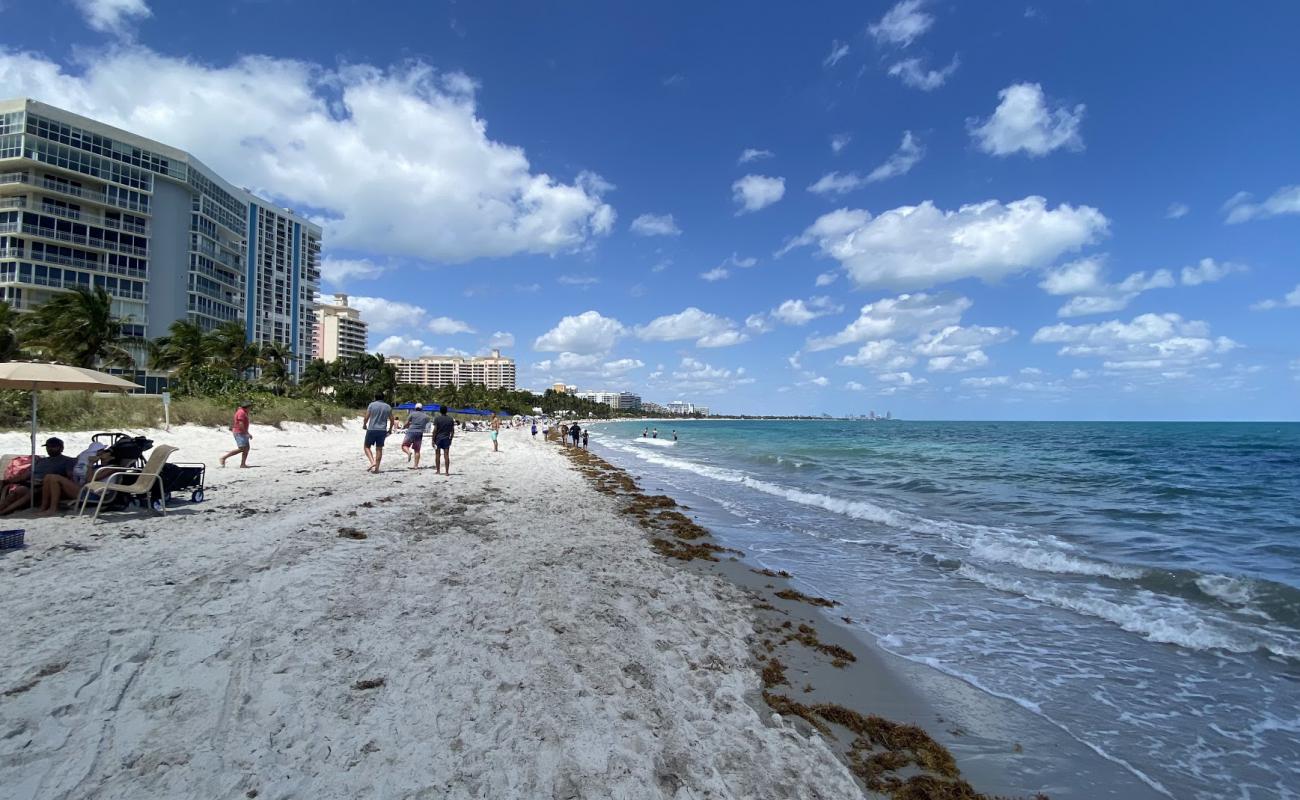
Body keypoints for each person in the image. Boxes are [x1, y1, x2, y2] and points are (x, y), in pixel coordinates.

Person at [0, 438, 76, 515]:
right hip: (31, 484)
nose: (49, 449)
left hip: (44, 486)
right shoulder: (41, 461)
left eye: (53, 447)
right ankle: (2, 508)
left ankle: (4, 511)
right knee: (16, 492)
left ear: (61, 448)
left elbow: (70, 477)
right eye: (48, 447)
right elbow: (26, 475)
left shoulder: (68, 461)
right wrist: (6, 481)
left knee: (28, 493)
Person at [363, 392, 394, 474]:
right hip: (382, 430)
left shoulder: (372, 405)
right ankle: (377, 469)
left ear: (375, 397)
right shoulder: (388, 406)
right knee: (379, 449)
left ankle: (372, 462)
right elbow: (392, 420)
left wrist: (364, 424)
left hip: (372, 429)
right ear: (383, 398)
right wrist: (390, 429)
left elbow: (367, 416)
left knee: (366, 447)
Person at [219, 400, 253, 468]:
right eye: (250, 407)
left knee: (246, 448)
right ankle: (224, 458)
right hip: (239, 432)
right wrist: (247, 433)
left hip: (242, 432)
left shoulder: (244, 412)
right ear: (247, 407)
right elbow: (240, 423)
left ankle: (243, 464)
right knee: (242, 448)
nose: (251, 408)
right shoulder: (241, 412)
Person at [402, 403, 430, 469]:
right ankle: (416, 466)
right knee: (417, 450)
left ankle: (408, 452)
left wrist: (404, 426)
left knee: (404, 445)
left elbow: (407, 423)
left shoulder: (412, 414)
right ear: (422, 408)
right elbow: (427, 421)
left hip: (411, 431)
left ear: (415, 408)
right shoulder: (425, 416)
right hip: (419, 433)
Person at [432, 405, 456, 475]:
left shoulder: (437, 419)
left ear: (440, 411)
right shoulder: (450, 419)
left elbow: (435, 430)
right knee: (446, 455)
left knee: (437, 454)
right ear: (447, 411)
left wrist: (433, 440)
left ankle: (438, 471)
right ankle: (447, 472)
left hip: (438, 439)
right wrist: (451, 439)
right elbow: (452, 431)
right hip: (446, 438)